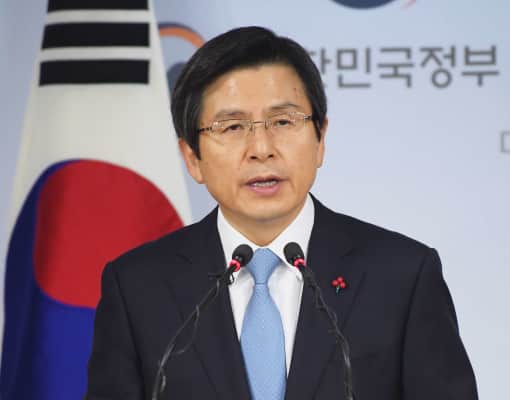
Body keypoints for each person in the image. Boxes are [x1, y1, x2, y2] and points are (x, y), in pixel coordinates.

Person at [86, 26, 478, 400]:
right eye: (232, 127)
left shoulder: (402, 277)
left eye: (283, 121)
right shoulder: (138, 288)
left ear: (320, 139)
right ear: (192, 158)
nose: (262, 148)